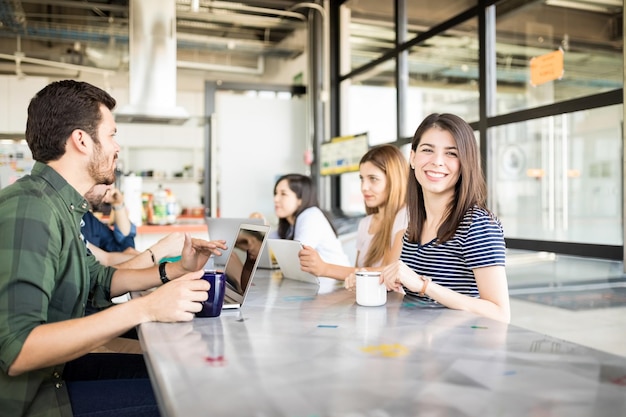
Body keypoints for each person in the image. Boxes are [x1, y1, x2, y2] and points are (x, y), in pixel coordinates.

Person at [0, 79, 227, 417]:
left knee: (183, 375)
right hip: (39, 400)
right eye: (111, 135)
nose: (117, 147)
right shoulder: (31, 207)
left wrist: (175, 269)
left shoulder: (59, 204)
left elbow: (97, 280)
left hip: (59, 374)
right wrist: (147, 308)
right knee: (194, 399)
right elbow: (18, 349)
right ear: (81, 140)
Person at [382, 113, 510, 323]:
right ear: (413, 158)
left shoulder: (477, 224)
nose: (437, 162)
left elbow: (500, 313)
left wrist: (424, 286)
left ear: (465, 163)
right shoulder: (414, 225)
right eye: (427, 150)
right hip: (419, 347)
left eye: (451, 153)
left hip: (461, 351)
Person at [298, 144, 408, 282]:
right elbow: (358, 276)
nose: (364, 187)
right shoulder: (365, 223)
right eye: (361, 178)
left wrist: (325, 269)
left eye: (373, 179)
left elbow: (391, 272)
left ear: (394, 181)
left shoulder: (405, 216)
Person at [272, 173, 350, 267]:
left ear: (300, 199)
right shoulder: (289, 224)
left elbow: (295, 258)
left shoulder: (311, 216)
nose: (275, 199)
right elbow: (269, 249)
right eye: (276, 193)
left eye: (283, 194)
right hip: (316, 279)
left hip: (336, 280)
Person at [82, 184, 138, 256]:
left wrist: (118, 204)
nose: (110, 188)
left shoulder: (88, 220)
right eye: (105, 182)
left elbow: (125, 248)